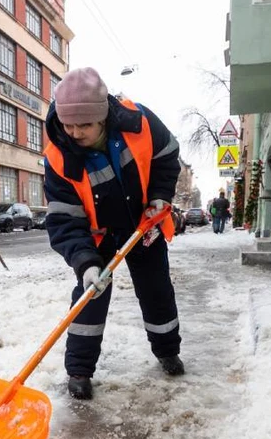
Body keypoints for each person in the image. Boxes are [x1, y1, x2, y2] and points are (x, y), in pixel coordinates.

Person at [43, 67, 184, 400]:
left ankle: (167, 350)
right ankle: (79, 371)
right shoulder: (59, 156)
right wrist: (85, 262)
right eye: (69, 124)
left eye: (84, 124)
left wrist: (160, 199)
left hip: (143, 225)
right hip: (98, 236)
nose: (75, 132)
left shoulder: (141, 122)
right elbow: (64, 219)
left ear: (103, 116)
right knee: (89, 297)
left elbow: (167, 157)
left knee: (156, 289)